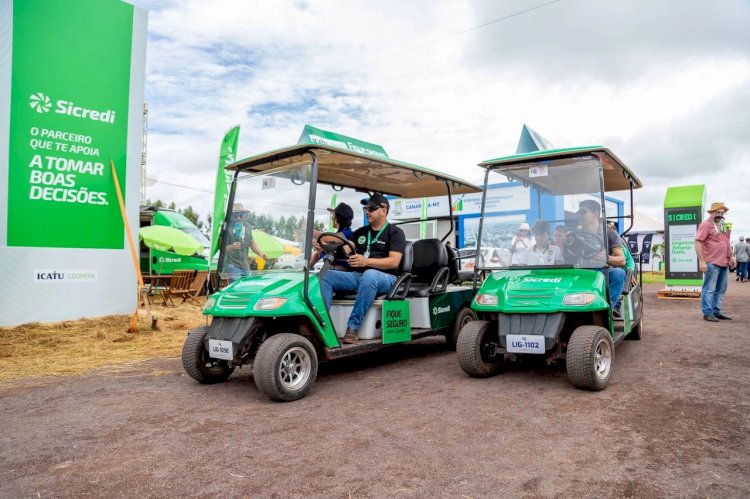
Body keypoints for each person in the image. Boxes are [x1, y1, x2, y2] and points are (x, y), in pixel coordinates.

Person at [319, 194, 407, 344]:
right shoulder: (360, 232)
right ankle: (322, 326)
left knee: (370, 275)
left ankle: (352, 328)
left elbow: (394, 262)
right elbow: (346, 249)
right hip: (359, 276)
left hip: (387, 278)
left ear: (384, 210)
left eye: (371, 208)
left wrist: (366, 261)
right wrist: (326, 247)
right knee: (326, 275)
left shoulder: (395, 232)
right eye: (366, 208)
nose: (367, 211)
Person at [576, 200, 626, 311]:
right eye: (578, 213)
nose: (579, 215)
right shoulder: (576, 235)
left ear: (595, 214)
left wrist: (606, 258)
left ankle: (607, 310)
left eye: (583, 212)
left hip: (603, 272)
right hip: (581, 271)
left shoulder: (610, 233)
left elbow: (622, 260)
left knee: (619, 273)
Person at [695, 202, 735, 321]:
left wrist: (731, 256)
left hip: (724, 262)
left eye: (722, 213)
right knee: (709, 288)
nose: (720, 215)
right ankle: (707, 313)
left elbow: (727, 242)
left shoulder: (723, 225)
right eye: (717, 212)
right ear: (711, 213)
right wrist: (702, 261)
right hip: (711, 262)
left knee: (721, 289)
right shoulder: (705, 225)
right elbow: (698, 242)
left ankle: (716, 311)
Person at [223, 203, 267, 282]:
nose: (238, 218)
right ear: (232, 216)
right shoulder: (227, 227)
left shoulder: (248, 226)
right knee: (236, 286)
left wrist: (261, 253)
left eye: (241, 215)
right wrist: (231, 247)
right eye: (235, 216)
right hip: (232, 263)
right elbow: (222, 249)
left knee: (248, 284)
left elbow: (251, 242)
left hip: (244, 264)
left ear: (244, 215)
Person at [310, 202, 355, 270]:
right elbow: (318, 254)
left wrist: (308, 230)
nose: (331, 217)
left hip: (343, 274)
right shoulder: (334, 238)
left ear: (336, 219)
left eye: (333, 215)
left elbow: (325, 237)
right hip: (330, 270)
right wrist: (308, 267)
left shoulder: (349, 233)